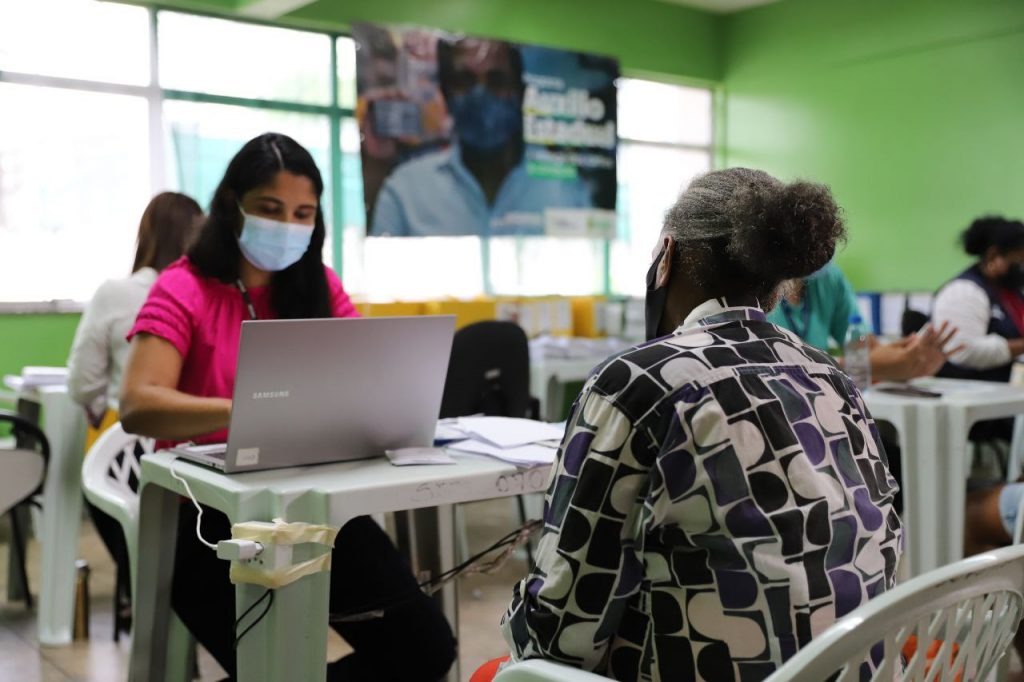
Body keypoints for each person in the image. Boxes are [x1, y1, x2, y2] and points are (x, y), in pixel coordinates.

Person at [493, 168, 902, 680]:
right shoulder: (833, 378)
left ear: (666, 255)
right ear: (776, 283)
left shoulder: (637, 382)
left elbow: (563, 626)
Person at [119, 133, 456, 681]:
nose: (287, 225)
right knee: (275, 668)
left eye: (303, 214)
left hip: (314, 507)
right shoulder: (183, 287)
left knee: (426, 648)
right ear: (232, 204)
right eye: (270, 209)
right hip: (208, 521)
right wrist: (247, 409)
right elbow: (138, 403)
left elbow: (366, 372)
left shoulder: (318, 285)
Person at [66, 190, 203, 633]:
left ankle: (137, 594)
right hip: (202, 455)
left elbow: (82, 384)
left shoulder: (116, 294)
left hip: (128, 458)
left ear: (145, 236)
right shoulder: (211, 296)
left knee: (111, 496)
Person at [369, 37, 591, 237]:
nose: (480, 95)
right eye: (465, 81)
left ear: (520, 93)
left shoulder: (566, 188)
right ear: (446, 93)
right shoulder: (406, 191)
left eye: (497, 81)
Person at [769, 263, 959, 382]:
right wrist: (862, 366)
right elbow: (766, 367)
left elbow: (866, 349)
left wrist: (908, 359)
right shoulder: (757, 285)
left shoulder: (828, 278)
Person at [932, 216, 1024, 382]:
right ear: (993, 255)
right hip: (968, 391)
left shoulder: (1010, 293)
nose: (1021, 268)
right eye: (1018, 261)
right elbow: (963, 351)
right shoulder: (963, 292)